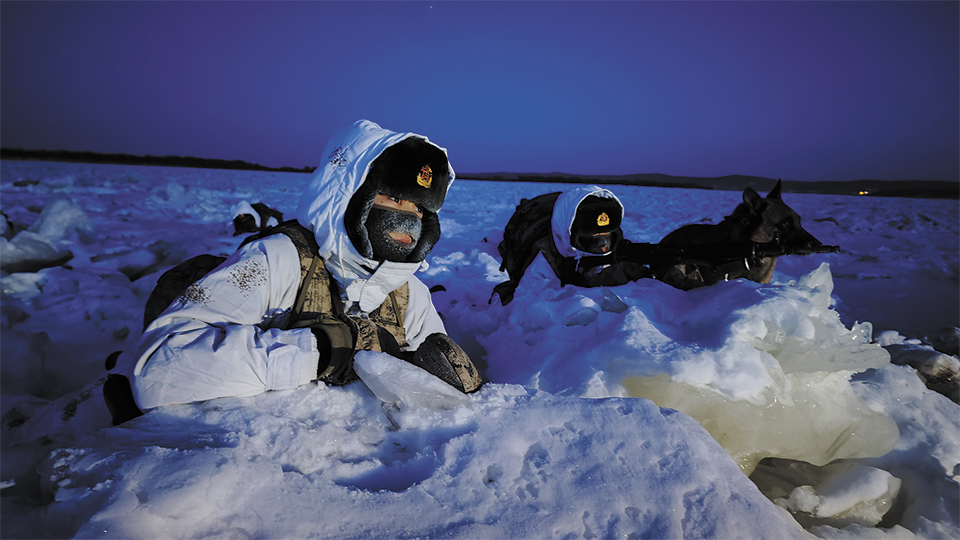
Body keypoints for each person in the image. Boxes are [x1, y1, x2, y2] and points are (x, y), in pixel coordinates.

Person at [129, 119, 482, 411]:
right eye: (394, 198)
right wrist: (325, 351)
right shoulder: (276, 260)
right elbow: (159, 369)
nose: (408, 219)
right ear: (350, 194)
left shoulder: (410, 294)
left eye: (419, 209)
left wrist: (444, 382)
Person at [492, 186, 651, 305]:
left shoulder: (616, 248)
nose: (602, 246)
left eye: (607, 238)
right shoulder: (546, 258)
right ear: (568, 234)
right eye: (592, 240)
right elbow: (531, 305)